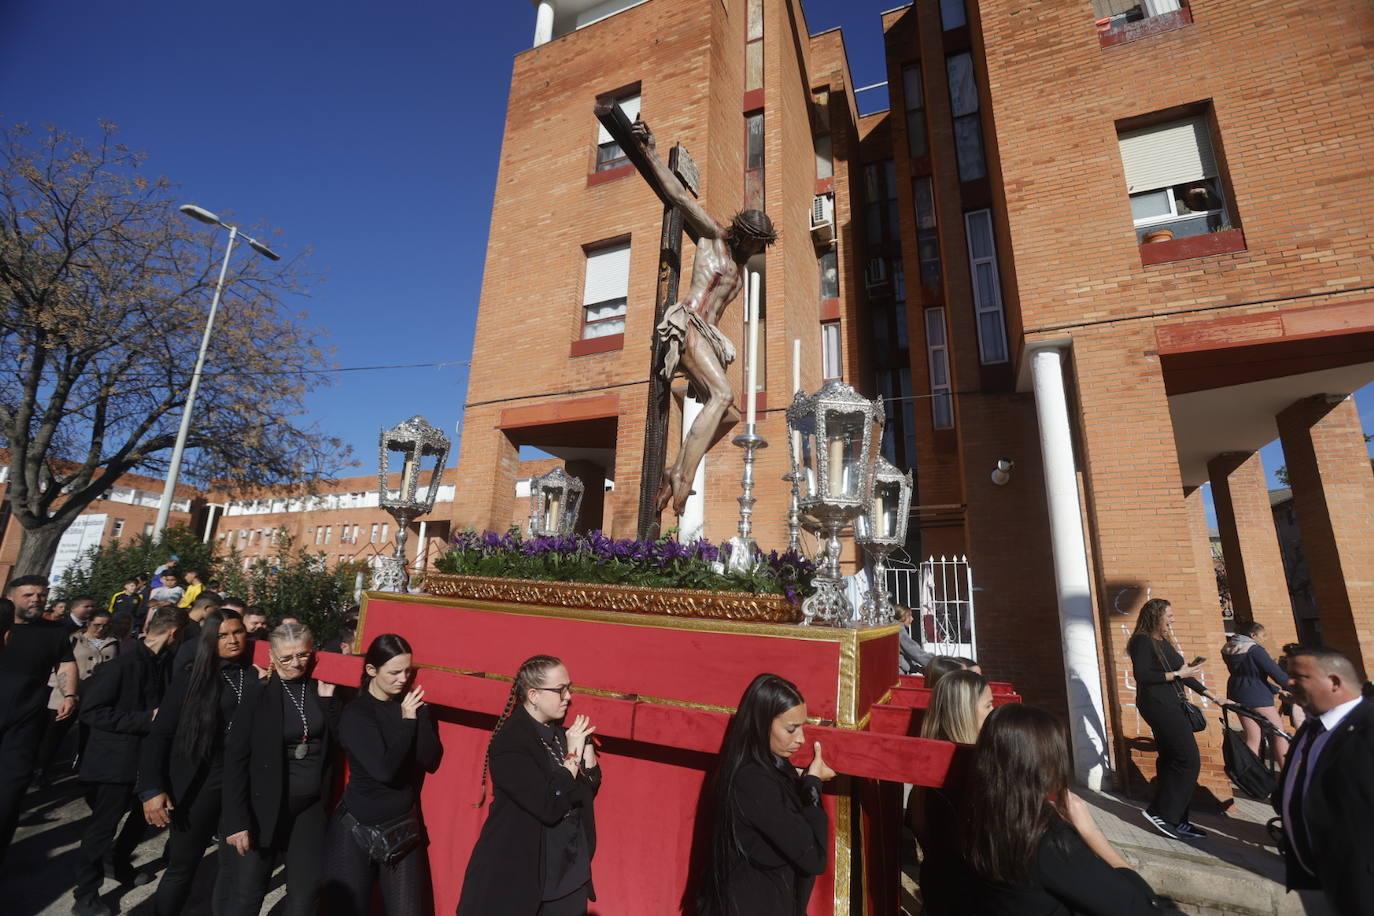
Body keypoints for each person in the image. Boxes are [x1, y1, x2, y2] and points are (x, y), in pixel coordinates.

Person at [626, 117, 778, 517]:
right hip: (686, 323)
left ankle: (677, 465)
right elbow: (677, 195)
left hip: (706, 336)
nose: (755, 251)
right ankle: (682, 477)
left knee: (728, 413)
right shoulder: (712, 236)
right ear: (742, 234)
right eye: (755, 243)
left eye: (761, 247)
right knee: (723, 395)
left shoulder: (742, 275)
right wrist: (651, 151)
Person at [965, 704, 1177, 914]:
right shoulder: (1045, 839)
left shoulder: (979, 814)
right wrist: (1091, 833)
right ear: (1044, 765)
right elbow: (1141, 908)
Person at [457, 655, 602, 916]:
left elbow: (585, 790)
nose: (568, 696)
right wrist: (571, 758)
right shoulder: (510, 743)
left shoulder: (559, 734)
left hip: (569, 873)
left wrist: (586, 750)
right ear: (534, 695)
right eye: (560, 690)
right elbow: (548, 805)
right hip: (526, 876)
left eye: (569, 688)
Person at [138, 608, 258, 915]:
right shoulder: (192, 676)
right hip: (201, 780)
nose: (232, 640)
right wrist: (151, 789)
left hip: (241, 779)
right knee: (183, 865)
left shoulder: (254, 675)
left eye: (238, 632)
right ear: (210, 640)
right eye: (223, 635)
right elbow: (159, 735)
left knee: (234, 865)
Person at [69, 607, 186, 916]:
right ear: (174, 633)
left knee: (142, 820)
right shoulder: (121, 666)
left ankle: (118, 863)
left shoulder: (166, 664)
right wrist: (146, 718)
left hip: (148, 761)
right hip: (114, 763)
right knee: (102, 829)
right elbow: (92, 712)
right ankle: (85, 893)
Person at [222, 622, 340, 916]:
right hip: (262, 808)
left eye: (302, 655)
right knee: (248, 893)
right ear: (272, 657)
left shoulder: (318, 688)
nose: (295, 663)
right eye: (286, 658)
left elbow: (336, 744)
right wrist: (237, 821)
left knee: (305, 895)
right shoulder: (258, 693)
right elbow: (235, 759)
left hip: (309, 808)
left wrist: (329, 704)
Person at [321, 634, 441, 916]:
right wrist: (408, 722)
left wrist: (420, 718)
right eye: (395, 672)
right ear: (371, 670)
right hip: (356, 828)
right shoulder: (357, 714)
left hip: (401, 827)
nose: (403, 678)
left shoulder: (412, 707)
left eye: (408, 671)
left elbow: (430, 760)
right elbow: (384, 770)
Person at [697, 673, 836, 916]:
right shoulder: (753, 780)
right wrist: (813, 785)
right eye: (791, 729)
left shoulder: (760, 766)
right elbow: (813, 857)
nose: (801, 739)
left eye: (803, 727)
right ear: (762, 724)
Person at [1273, 647, 1374, 916]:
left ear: (1334, 682)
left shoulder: (1368, 726)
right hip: (1314, 875)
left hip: (1362, 882)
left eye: (1299, 676)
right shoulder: (1313, 725)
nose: (1289, 683)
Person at [1126, 597, 1226, 840]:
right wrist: (1175, 674)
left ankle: (1178, 819)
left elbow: (1184, 675)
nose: (1172, 620)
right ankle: (1162, 813)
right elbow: (1142, 675)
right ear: (1156, 616)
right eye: (1168, 615)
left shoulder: (1163, 641)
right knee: (1188, 759)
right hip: (1157, 705)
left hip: (1172, 704)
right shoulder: (1142, 640)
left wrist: (1213, 696)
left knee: (1173, 759)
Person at [0, 575, 78, 863]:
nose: (36, 600)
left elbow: (66, 663)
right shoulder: (3, 623)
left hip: (24, 722)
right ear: (11, 597)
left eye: (42, 595)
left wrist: (69, 695)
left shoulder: (54, 631)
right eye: (29, 595)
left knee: (9, 794)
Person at [908, 669, 993, 915]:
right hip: (965, 895)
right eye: (988, 706)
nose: (993, 713)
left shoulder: (934, 760)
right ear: (964, 713)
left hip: (940, 887)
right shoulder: (965, 772)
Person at [35, 608, 119, 783]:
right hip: (65, 694)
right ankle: (41, 770)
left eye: (105, 626)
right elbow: (59, 665)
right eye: (97, 625)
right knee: (53, 735)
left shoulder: (113, 642)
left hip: (95, 697)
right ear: (88, 623)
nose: (101, 629)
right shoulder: (73, 639)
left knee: (88, 736)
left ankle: (83, 770)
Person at [1221, 621, 1292, 766]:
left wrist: (1277, 690)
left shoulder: (1228, 648)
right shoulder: (1255, 650)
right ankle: (1287, 774)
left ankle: (1250, 775)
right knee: (1278, 734)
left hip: (1237, 693)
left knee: (1252, 737)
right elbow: (1275, 673)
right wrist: (1295, 688)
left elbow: (1249, 675)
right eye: (1262, 635)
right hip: (1258, 696)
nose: (1264, 638)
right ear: (1252, 635)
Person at [171, 591, 225, 670]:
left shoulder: (179, 620)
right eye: (216, 610)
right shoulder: (189, 628)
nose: (217, 614)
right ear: (207, 608)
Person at [895, 606, 933, 674]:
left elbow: (903, 657)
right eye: (909, 616)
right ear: (903, 616)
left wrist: (917, 668)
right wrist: (935, 661)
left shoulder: (896, 628)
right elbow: (913, 651)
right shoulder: (898, 629)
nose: (912, 619)